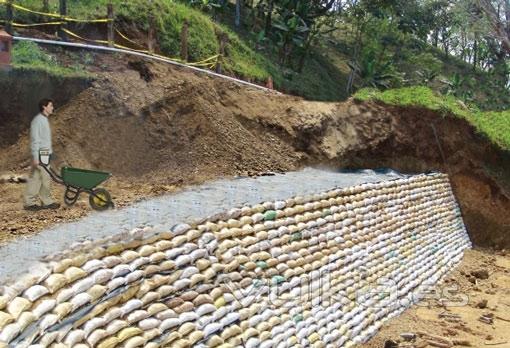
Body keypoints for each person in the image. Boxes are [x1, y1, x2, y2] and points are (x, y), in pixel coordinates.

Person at [23, 98, 60, 211]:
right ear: (44, 107)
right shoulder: (38, 121)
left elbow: (44, 140)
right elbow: (35, 140)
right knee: (44, 178)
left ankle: (30, 202)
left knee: (37, 177)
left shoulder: (43, 120)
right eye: (51, 105)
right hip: (41, 153)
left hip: (44, 153)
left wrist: (50, 153)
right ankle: (46, 202)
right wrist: (36, 157)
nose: (52, 108)